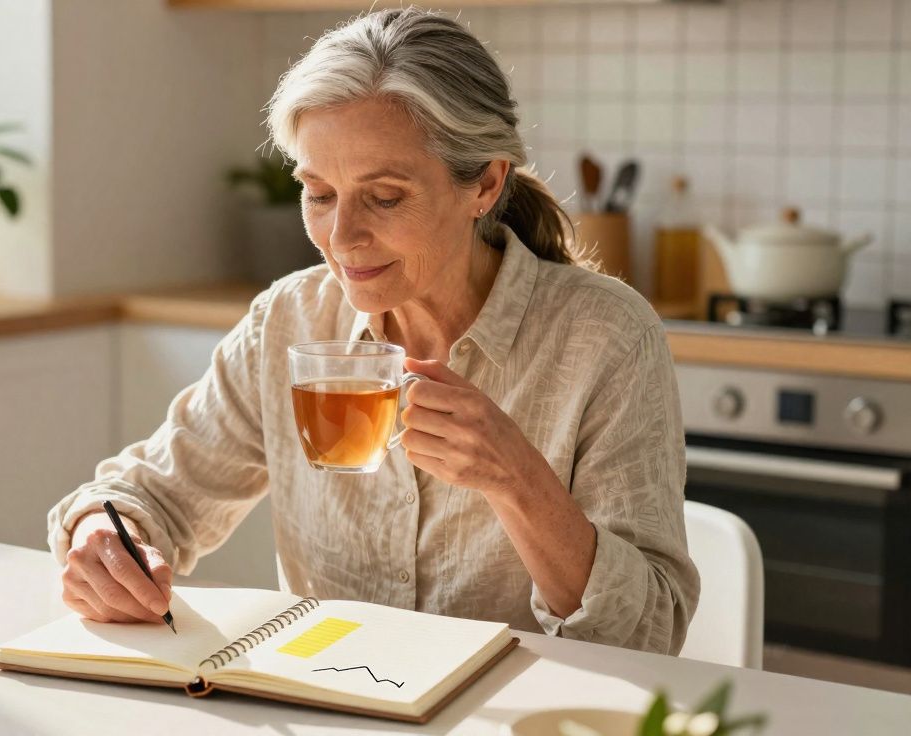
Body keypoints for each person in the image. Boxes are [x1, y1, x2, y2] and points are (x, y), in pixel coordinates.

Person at [48, 7, 698, 654]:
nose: (342, 238)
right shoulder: (288, 321)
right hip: (328, 708)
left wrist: (519, 481)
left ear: (485, 184)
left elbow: (651, 635)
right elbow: (151, 495)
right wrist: (103, 541)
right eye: (320, 193)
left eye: (385, 198)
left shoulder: (606, 337)